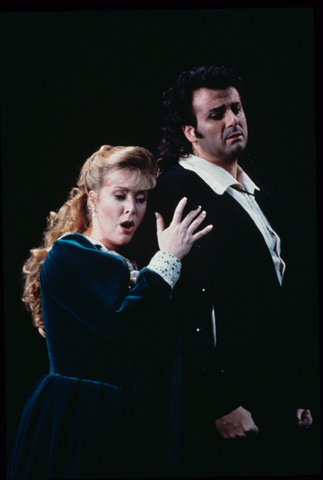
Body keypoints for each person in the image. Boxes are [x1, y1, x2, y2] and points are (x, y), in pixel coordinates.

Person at [145, 65, 319, 476]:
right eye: (216, 114)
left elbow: (280, 301)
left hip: (271, 398)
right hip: (226, 408)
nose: (233, 120)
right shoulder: (178, 190)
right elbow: (186, 306)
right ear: (191, 132)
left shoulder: (258, 193)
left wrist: (296, 392)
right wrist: (217, 402)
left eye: (236, 108)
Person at [7, 144, 213, 479]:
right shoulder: (69, 253)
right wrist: (169, 258)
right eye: (120, 195)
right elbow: (125, 323)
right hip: (83, 418)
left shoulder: (124, 264)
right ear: (93, 198)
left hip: (122, 419)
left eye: (141, 198)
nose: (131, 209)